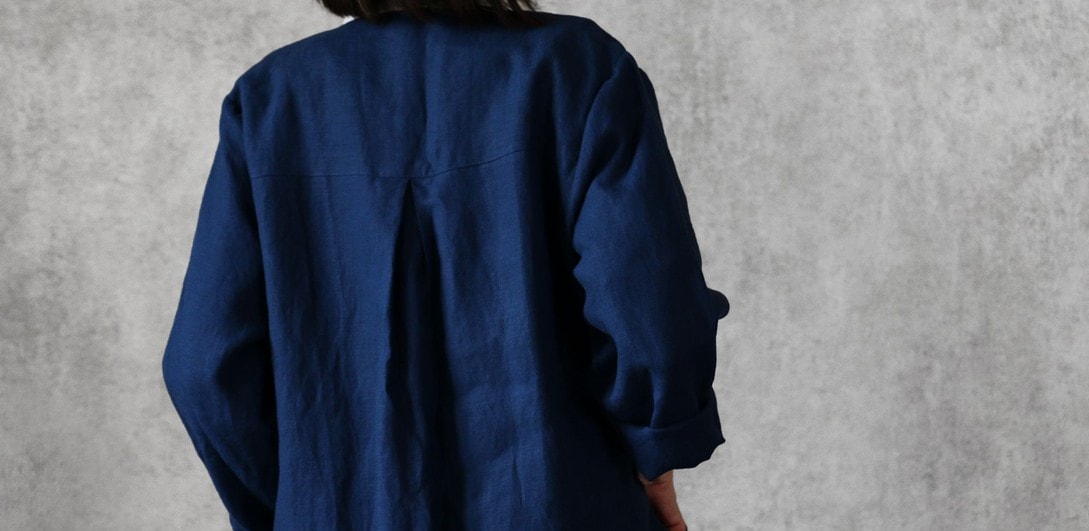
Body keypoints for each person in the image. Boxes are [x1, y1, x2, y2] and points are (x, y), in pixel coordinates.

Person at [160, 1, 730, 529]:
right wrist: (658, 455)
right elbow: (651, 312)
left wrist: (302, 503)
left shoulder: (270, 100)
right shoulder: (578, 67)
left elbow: (203, 366)